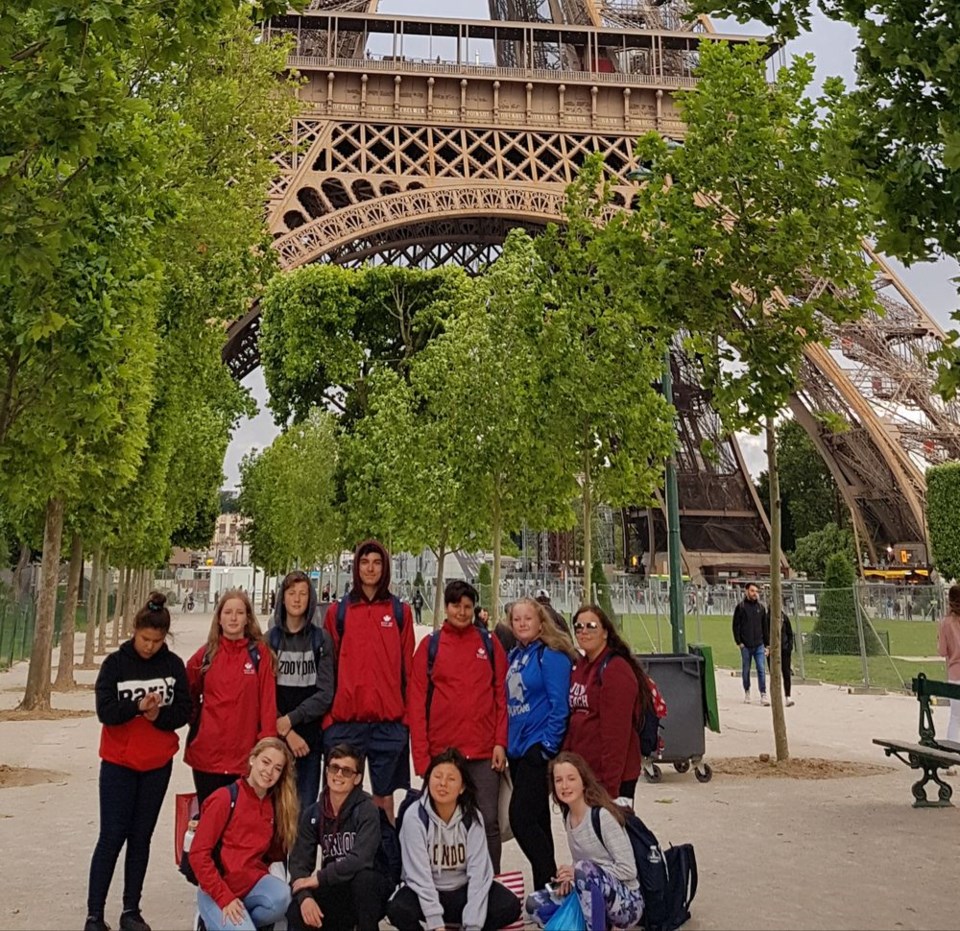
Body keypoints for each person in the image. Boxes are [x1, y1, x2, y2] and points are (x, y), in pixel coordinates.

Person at [85, 593, 192, 931]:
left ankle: (131, 909)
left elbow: (184, 711)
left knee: (141, 837)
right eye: (145, 639)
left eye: (157, 641)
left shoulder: (173, 666)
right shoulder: (115, 664)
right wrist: (137, 707)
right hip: (119, 764)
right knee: (112, 835)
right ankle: (95, 915)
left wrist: (159, 715)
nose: (149, 647)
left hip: (157, 765)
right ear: (135, 631)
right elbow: (106, 711)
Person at [408, 580, 508, 870]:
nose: (462, 612)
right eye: (456, 606)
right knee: (443, 824)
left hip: (483, 751)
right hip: (443, 755)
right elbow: (417, 706)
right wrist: (422, 758)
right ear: (447, 607)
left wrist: (500, 741)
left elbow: (501, 695)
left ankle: (491, 885)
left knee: (488, 821)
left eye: (467, 607)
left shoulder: (489, 644)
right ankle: (446, 885)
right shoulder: (430, 646)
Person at [323, 539, 414, 820]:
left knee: (383, 799)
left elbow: (408, 668)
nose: (370, 568)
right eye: (364, 562)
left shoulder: (400, 612)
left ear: (385, 567)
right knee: (340, 796)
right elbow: (327, 667)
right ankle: (338, 859)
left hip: (388, 722)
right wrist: (329, 718)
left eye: (376, 562)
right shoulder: (338, 612)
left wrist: (406, 718)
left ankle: (384, 860)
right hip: (346, 721)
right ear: (356, 567)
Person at [386, 748, 522, 931]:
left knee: (509, 906)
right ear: (428, 780)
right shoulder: (415, 817)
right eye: (437, 776)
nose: (443, 784)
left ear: (462, 787)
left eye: (451, 779)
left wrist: (473, 925)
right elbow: (419, 876)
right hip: (428, 891)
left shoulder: (472, 818)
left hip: (462, 890)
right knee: (398, 909)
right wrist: (435, 923)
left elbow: (479, 875)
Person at [505, 597, 577, 891]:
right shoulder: (515, 655)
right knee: (538, 820)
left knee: (519, 817)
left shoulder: (551, 656)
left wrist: (547, 747)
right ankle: (544, 887)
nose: (522, 624)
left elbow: (560, 705)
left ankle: (552, 879)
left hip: (537, 747)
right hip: (517, 748)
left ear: (540, 622)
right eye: (516, 620)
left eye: (527, 619)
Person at [525, 752, 642, 931]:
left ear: (583, 781)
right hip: (588, 891)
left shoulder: (601, 816)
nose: (565, 786)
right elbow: (580, 862)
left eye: (571, 778)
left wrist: (582, 874)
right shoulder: (569, 817)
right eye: (558, 780)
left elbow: (628, 869)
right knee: (535, 903)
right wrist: (569, 880)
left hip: (626, 902)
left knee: (584, 870)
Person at [191, 737, 298, 931]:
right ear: (252, 759)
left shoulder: (274, 805)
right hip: (217, 889)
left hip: (251, 884)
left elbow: (274, 854)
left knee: (283, 897)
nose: (269, 772)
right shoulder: (225, 798)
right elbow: (198, 855)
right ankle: (209, 921)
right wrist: (225, 899)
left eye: (277, 768)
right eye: (265, 762)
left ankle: (236, 924)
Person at [185, 589, 278, 806]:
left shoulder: (260, 655)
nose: (233, 618)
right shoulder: (206, 655)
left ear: (248, 619)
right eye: (227, 612)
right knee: (210, 822)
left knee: (241, 825)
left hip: (245, 758)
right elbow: (187, 689)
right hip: (207, 757)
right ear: (219, 618)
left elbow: (267, 704)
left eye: (239, 612)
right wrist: (196, 720)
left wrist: (267, 749)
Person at [288, 744, 393, 931]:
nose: (338, 775)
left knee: (364, 881)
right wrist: (305, 898)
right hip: (335, 884)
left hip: (370, 888)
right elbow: (298, 863)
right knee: (296, 909)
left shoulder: (367, 809)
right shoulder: (314, 813)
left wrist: (319, 878)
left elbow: (362, 859)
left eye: (346, 771)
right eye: (334, 768)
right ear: (327, 771)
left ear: (357, 778)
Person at [563, 604, 650, 801]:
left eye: (591, 626)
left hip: (610, 777)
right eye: (578, 627)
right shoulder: (581, 667)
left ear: (605, 632)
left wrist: (610, 786)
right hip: (583, 770)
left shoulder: (616, 669)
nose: (583, 631)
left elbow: (616, 734)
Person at [270, 570, 335, 810]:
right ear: (282, 598)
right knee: (275, 809)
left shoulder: (321, 640)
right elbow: (263, 695)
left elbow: (325, 693)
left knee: (304, 810)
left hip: (309, 740)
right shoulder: (270, 641)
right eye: (291, 593)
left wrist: (292, 719)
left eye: (303, 593)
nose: (297, 599)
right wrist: (285, 729)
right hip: (277, 736)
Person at [732, 582, 770, 705]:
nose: (755, 594)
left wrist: (767, 644)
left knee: (761, 668)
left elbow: (765, 627)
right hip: (746, 645)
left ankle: (763, 693)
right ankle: (747, 690)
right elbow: (735, 626)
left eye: (756, 591)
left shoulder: (761, 608)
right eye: (752, 591)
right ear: (746, 591)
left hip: (759, 644)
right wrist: (739, 642)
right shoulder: (741, 607)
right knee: (746, 669)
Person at [937, 584, 960, 742]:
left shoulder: (946, 623)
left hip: (955, 673)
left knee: (955, 717)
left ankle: (953, 756)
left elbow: (942, 651)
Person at [780, 610, 796, 708]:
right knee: (775, 674)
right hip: (773, 650)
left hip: (785, 649)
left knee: (786, 673)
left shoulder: (784, 617)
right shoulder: (768, 616)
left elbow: (790, 633)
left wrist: (789, 646)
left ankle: (787, 696)